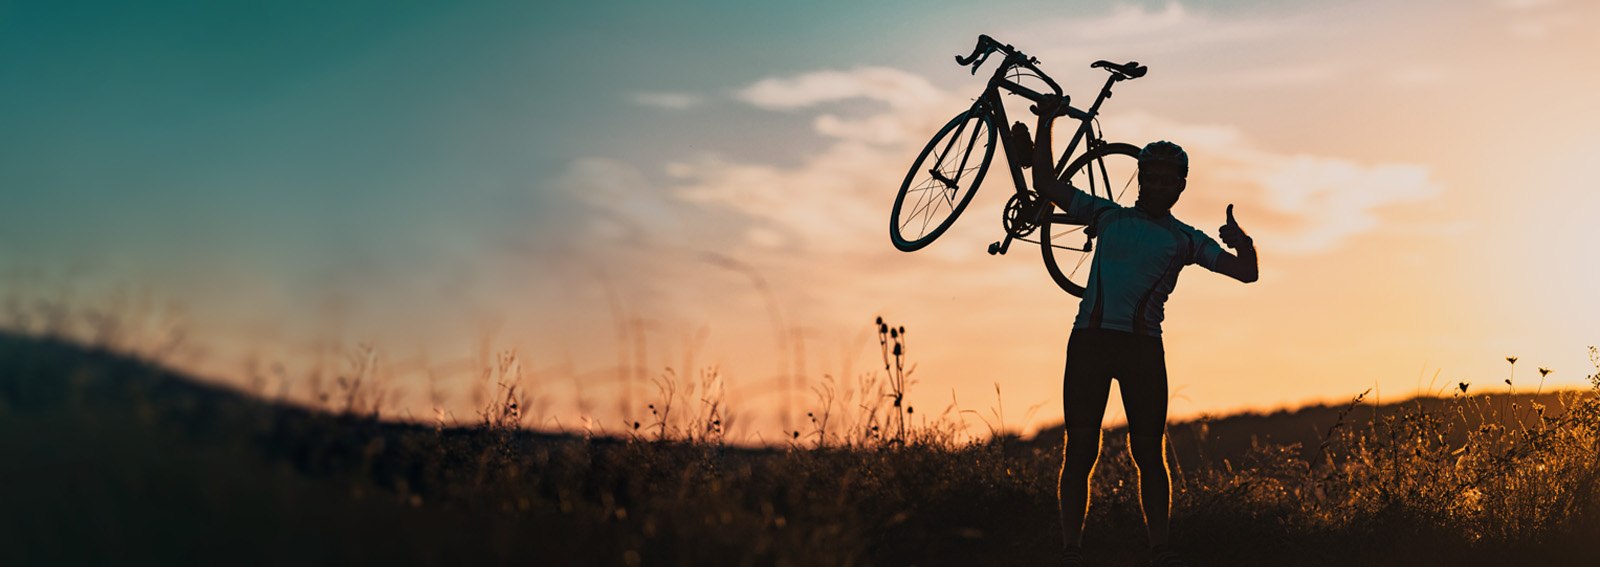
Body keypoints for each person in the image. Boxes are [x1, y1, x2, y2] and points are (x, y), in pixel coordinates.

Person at [1028, 95, 1259, 567]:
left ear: (1179, 187)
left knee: (1148, 453)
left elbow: (1246, 274)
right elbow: (1048, 184)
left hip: (1141, 351)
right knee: (1080, 450)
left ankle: (1160, 550)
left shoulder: (1187, 239)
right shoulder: (1108, 215)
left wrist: (1245, 243)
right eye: (1148, 176)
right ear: (1140, 178)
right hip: (1090, 344)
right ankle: (1071, 549)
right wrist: (1047, 123)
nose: (1154, 186)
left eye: (1164, 180)